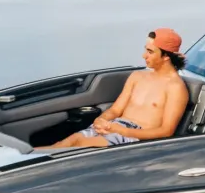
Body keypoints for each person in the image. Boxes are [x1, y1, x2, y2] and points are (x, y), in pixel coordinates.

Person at [40, 29, 189, 149]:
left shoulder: (175, 88)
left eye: (150, 52)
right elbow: (116, 110)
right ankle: (24, 159)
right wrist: (101, 119)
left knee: (78, 144)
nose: (144, 56)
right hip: (115, 126)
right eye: (146, 50)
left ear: (166, 57)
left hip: (136, 138)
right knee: (69, 142)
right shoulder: (137, 76)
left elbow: (166, 131)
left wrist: (122, 131)